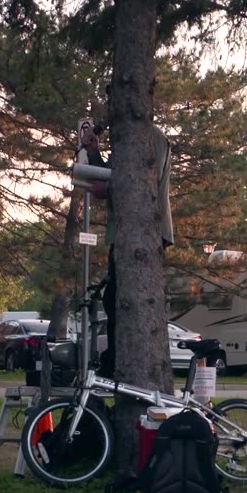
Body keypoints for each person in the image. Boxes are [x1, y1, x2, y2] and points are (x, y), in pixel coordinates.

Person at [86, 121, 174, 378]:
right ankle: (114, 360)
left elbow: (144, 182)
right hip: (124, 232)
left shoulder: (152, 137)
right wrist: (94, 152)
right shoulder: (124, 140)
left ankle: (117, 362)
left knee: (127, 300)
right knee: (113, 298)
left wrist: (109, 187)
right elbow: (108, 175)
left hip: (146, 232)